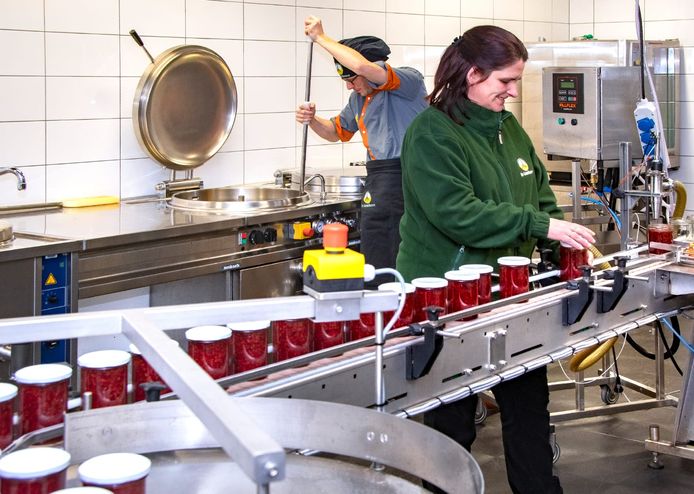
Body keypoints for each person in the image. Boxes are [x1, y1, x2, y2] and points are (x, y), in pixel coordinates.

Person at [396, 26, 595, 494]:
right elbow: (456, 214)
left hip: (509, 292)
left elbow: (539, 193)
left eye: (516, 81)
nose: (512, 92)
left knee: (528, 404)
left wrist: (557, 243)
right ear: (472, 73)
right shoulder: (432, 132)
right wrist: (540, 227)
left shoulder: (507, 129)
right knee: (453, 415)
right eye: (504, 81)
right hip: (444, 294)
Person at [296, 16, 428, 280]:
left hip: (408, 177)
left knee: (401, 256)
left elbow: (363, 67)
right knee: (377, 259)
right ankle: (380, 312)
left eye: (351, 78)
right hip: (378, 180)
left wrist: (321, 38)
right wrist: (312, 120)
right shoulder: (359, 99)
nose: (349, 85)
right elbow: (336, 132)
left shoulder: (407, 82)